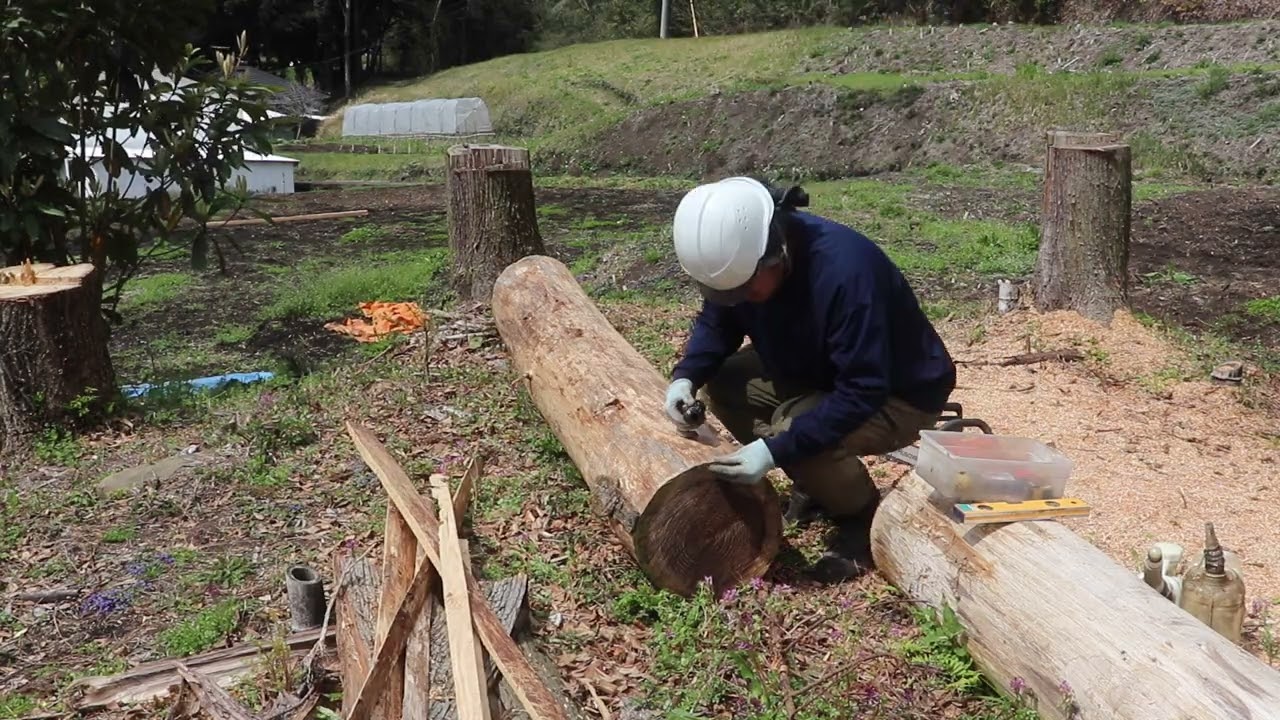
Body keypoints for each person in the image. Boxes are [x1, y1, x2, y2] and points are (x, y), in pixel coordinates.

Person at [662, 176, 956, 582]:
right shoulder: (741, 265)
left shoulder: (847, 273)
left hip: (897, 394)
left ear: (775, 252)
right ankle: (818, 483)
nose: (740, 298)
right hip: (819, 370)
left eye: (746, 289)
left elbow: (862, 389)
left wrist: (778, 449)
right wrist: (686, 377)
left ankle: (860, 519)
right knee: (726, 382)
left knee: (796, 436)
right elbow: (719, 321)